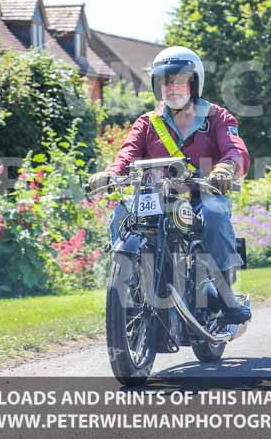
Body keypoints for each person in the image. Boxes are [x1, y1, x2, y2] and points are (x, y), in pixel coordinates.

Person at [88, 46, 252, 324]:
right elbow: (127, 153)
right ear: (157, 85)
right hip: (158, 197)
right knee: (124, 211)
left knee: (213, 212)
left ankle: (225, 296)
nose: (172, 87)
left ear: (194, 83)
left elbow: (236, 150)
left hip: (200, 194)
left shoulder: (217, 118)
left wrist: (225, 167)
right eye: (165, 81)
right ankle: (127, 280)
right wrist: (111, 173)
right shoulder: (147, 122)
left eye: (179, 80)